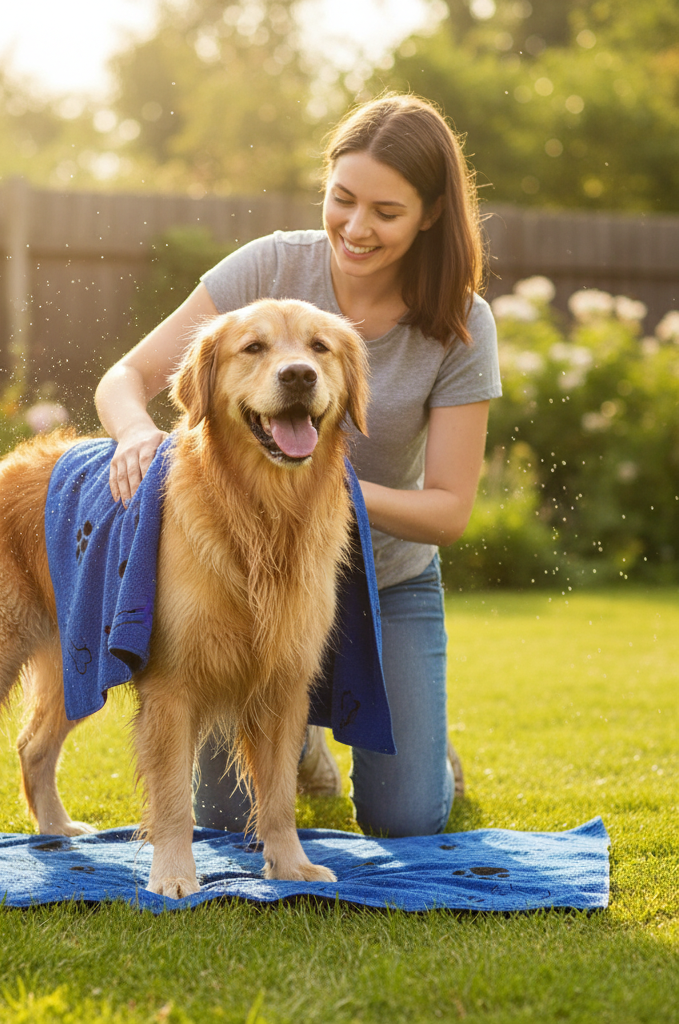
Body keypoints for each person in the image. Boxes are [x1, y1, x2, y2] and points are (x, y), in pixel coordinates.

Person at [94, 94, 501, 838]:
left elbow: (447, 511)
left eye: (385, 210)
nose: (355, 227)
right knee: (224, 824)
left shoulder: (461, 323)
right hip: (241, 578)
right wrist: (131, 435)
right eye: (341, 200)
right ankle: (302, 736)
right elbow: (126, 377)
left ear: (431, 214)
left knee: (407, 817)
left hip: (387, 577)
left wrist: (329, 489)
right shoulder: (270, 267)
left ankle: (423, 745)